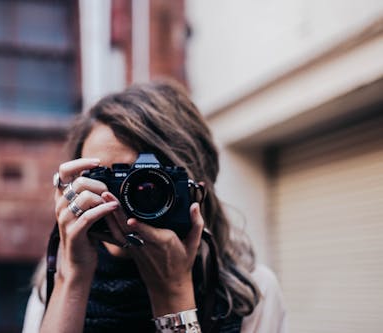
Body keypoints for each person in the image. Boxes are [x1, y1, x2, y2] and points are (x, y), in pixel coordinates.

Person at [22, 80, 286, 333]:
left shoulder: (251, 292)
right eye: (107, 179)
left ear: (195, 190)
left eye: (148, 184)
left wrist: (172, 294)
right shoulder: (54, 281)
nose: (124, 200)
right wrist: (73, 279)